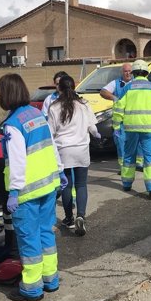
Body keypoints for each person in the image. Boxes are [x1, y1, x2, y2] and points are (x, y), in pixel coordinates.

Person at [0, 73, 65, 301]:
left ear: (6, 94)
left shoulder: (12, 125)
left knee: (28, 238)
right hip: (48, 185)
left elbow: (17, 161)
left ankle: (32, 288)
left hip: (26, 191)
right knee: (46, 233)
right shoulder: (37, 115)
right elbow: (51, 145)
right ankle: (50, 279)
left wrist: (13, 192)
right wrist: (60, 170)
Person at [47, 75, 101, 236]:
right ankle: (81, 215)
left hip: (63, 150)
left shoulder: (54, 107)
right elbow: (93, 128)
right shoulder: (84, 104)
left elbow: (50, 132)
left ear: (59, 88)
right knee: (81, 184)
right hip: (82, 149)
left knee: (66, 185)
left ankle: (69, 218)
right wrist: (98, 136)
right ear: (74, 87)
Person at [112, 60, 151, 199]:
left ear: (134, 73)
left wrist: (116, 126)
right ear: (146, 73)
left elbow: (118, 108)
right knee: (150, 157)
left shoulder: (128, 88)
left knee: (129, 155)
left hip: (131, 129)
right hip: (150, 129)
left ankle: (126, 183)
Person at [100, 63, 132, 173]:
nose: (128, 73)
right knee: (121, 143)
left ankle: (138, 164)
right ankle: (123, 167)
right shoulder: (116, 83)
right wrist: (113, 97)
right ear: (122, 73)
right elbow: (103, 91)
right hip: (120, 121)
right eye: (125, 71)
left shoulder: (136, 83)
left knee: (136, 143)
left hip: (134, 120)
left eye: (129, 71)